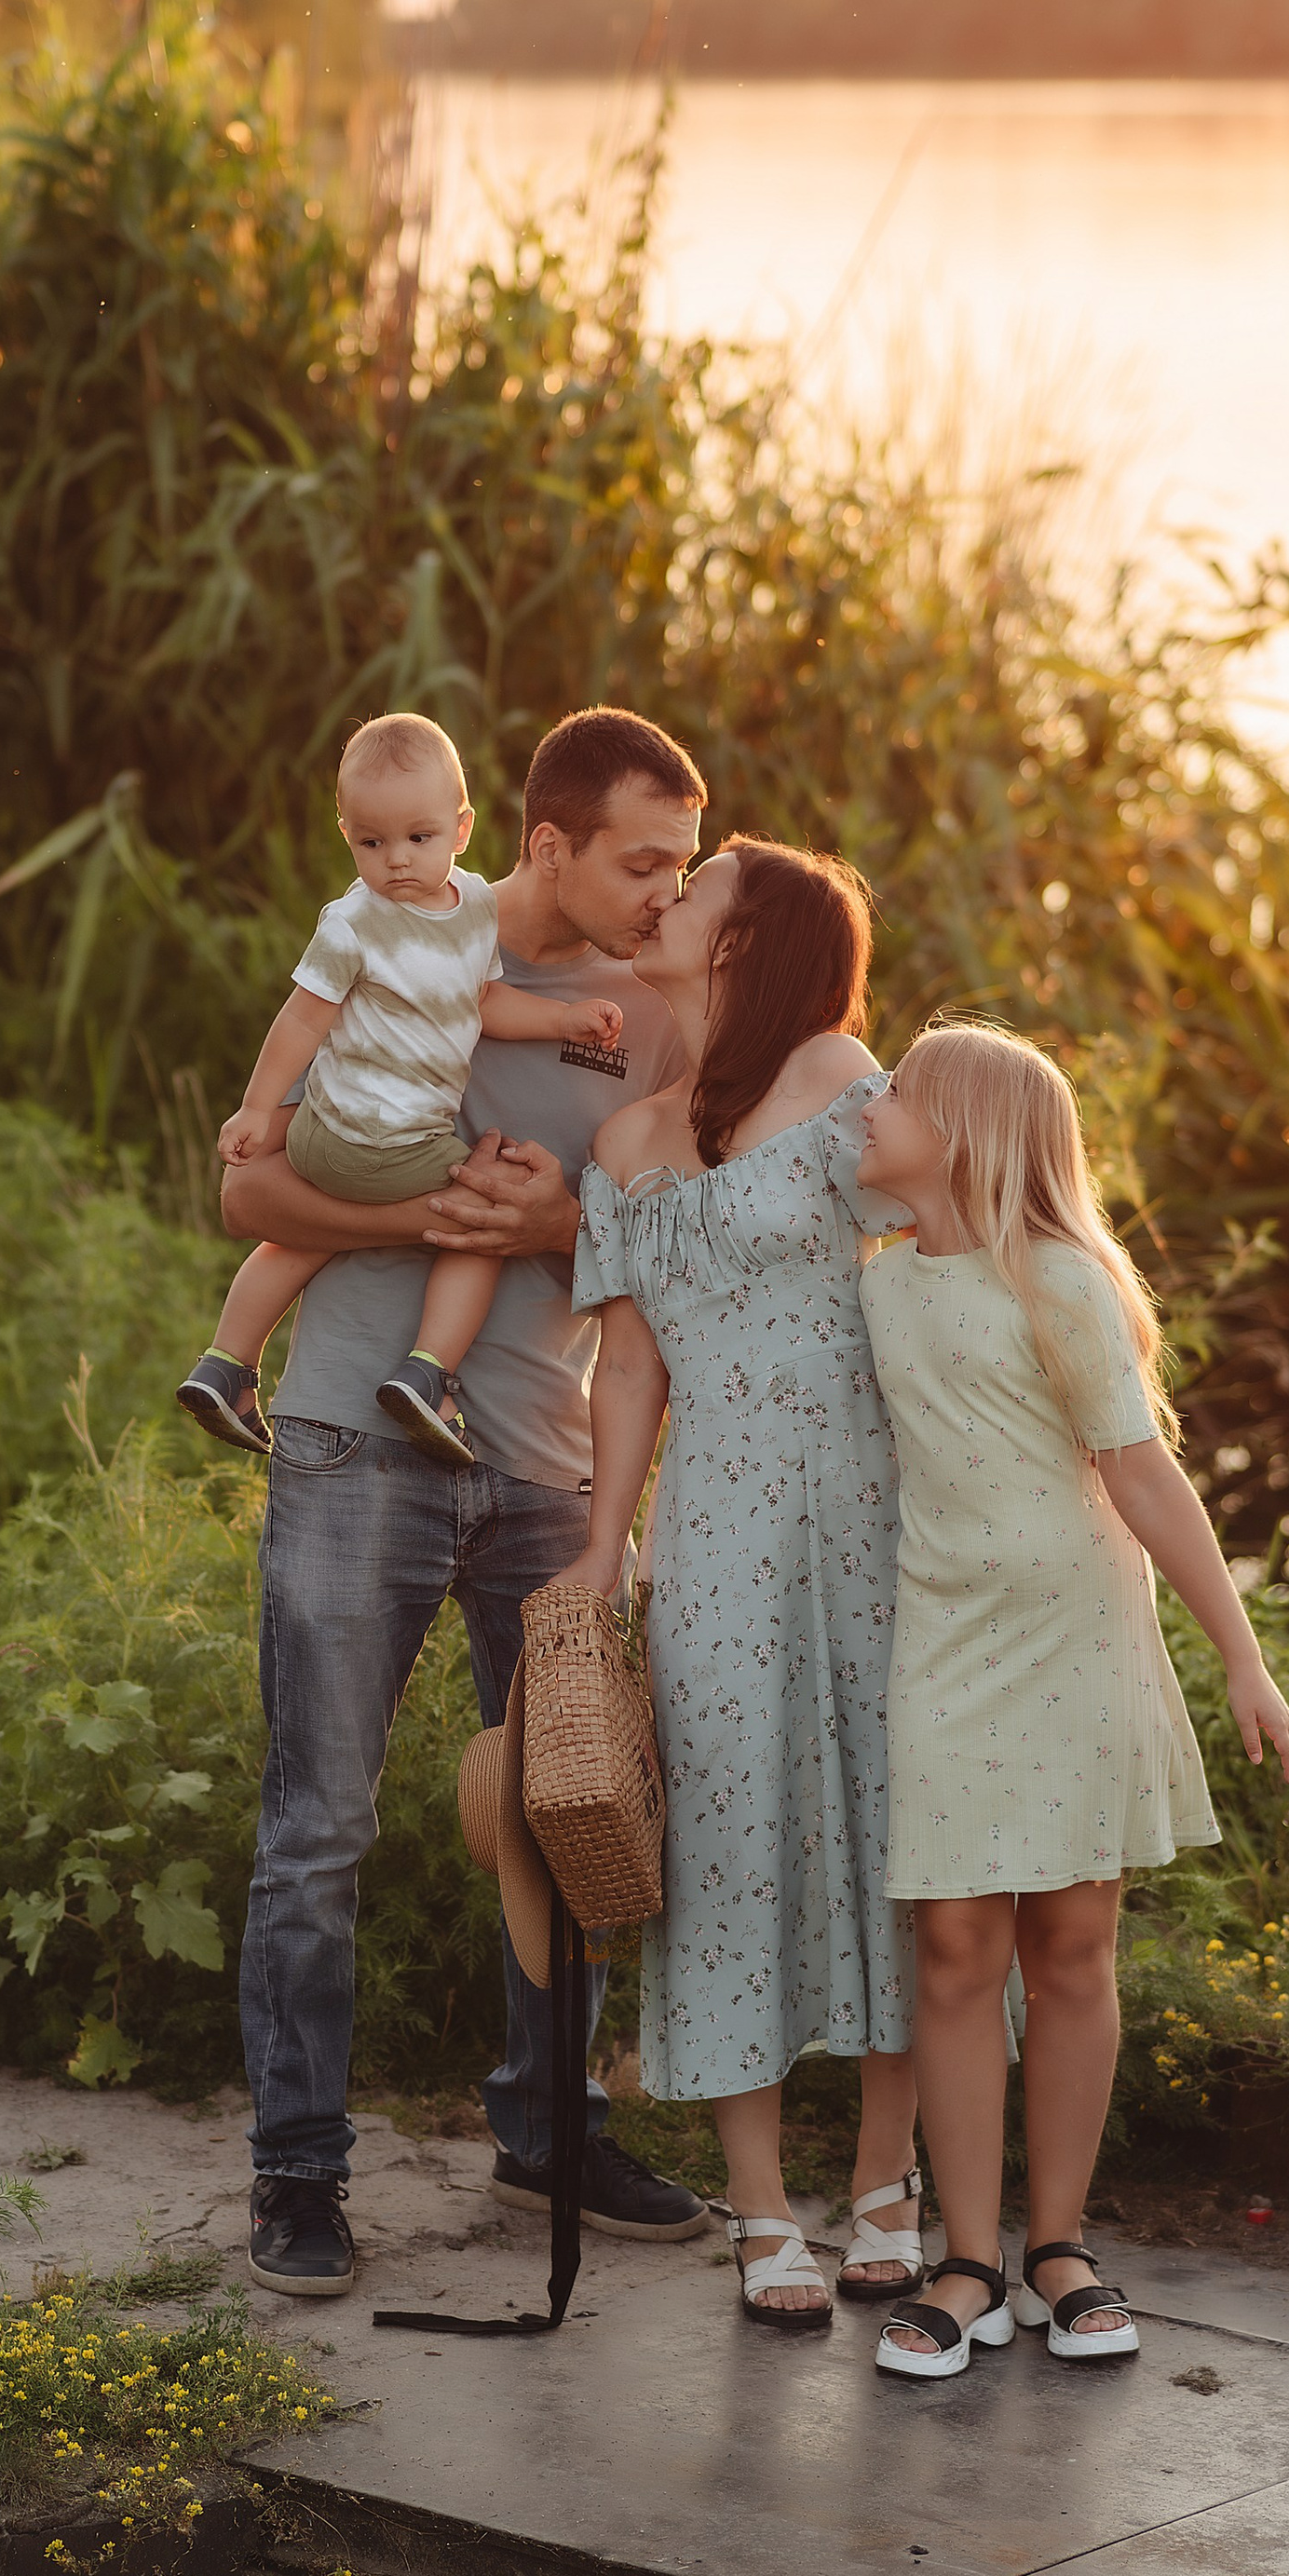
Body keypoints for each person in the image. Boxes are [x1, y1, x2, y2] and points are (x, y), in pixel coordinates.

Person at [224, 708, 719, 2297]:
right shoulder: (401, 930)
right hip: (354, 1446)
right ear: (552, 845)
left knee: (569, 1807)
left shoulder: (648, 1020)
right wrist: (449, 1208)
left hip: (545, 1469)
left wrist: (559, 1222)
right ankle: (298, 2170)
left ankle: (548, 2134)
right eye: (643, 861)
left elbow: (676, 1275)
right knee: (318, 1826)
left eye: (686, 864)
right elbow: (247, 1187)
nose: (666, 890)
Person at [852, 1020, 1289, 2381]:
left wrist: (1240, 1652)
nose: (872, 1104)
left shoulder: (1060, 1281)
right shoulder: (879, 1285)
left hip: (1075, 1641)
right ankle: (967, 2259)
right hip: (946, 1642)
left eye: (902, 1092)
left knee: (1069, 1943)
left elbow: (1145, 1473)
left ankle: (1057, 2246)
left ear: (970, 1133)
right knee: (949, 1948)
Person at [550, 838, 925, 2333]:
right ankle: (765, 2212)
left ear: (744, 939)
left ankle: (892, 2182)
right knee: (725, 1837)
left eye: (693, 887)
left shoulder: (841, 1074)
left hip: (877, 1511)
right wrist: (602, 1546)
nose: (666, 896)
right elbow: (629, 1366)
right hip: (712, 1532)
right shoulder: (628, 1142)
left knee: (896, 1824)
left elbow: (945, 1237)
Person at [175, 713, 625, 1470]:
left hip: (325, 1134)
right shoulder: (354, 923)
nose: (396, 863)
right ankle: (428, 1374)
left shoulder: (472, 908)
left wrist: (564, 1020)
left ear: (461, 829)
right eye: (371, 844)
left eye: (417, 839)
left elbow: (486, 1006)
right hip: (380, 1140)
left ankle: (226, 1362)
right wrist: (255, 1109)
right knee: (484, 1220)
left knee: (299, 1239)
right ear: (346, 833)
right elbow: (299, 1020)